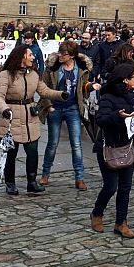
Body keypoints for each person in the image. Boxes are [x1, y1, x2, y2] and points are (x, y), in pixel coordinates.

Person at [0, 45, 66, 196]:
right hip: (11, 118)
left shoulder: (33, 74)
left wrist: (60, 94)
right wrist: (4, 109)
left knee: (32, 152)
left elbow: (44, 91)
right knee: (11, 154)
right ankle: (10, 183)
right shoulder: (6, 74)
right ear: (22, 57)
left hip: (30, 118)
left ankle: (32, 182)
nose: (33, 57)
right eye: (30, 55)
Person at [90, 64, 134, 238]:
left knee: (125, 187)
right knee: (111, 186)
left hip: (126, 146)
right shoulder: (108, 97)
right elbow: (101, 120)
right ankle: (97, 212)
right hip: (108, 147)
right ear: (126, 79)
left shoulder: (133, 95)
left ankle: (121, 222)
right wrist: (117, 116)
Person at [38, 40, 99, 190]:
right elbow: (43, 88)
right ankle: (45, 174)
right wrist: (49, 106)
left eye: (64, 54)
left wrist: (91, 86)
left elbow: (83, 87)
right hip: (55, 108)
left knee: (76, 144)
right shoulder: (52, 68)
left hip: (73, 108)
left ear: (71, 56)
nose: (60, 56)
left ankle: (79, 178)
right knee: (52, 143)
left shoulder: (81, 68)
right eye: (60, 53)